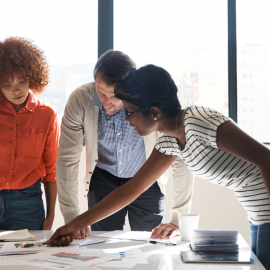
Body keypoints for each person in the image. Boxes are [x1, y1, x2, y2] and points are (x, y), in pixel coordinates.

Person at [50, 65, 270, 270]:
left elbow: (269, 160)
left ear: (153, 111)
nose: (126, 118)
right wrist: (74, 224)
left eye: (130, 111)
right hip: (260, 210)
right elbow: (132, 189)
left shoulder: (200, 122)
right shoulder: (169, 140)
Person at [57, 51, 194, 240]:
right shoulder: (80, 100)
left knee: (151, 246)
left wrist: (177, 219)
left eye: (113, 95)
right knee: (101, 246)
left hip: (147, 179)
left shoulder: (151, 104)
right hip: (103, 179)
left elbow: (180, 159)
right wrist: (71, 215)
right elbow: (67, 160)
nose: (106, 101)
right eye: (100, 92)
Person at [0, 37, 58, 236]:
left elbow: (51, 169)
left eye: (22, 81)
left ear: (32, 76)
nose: (17, 90)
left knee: (29, 263)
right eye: (7, 84)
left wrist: (50, 216)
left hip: (29, 203)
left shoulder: (46, 115)